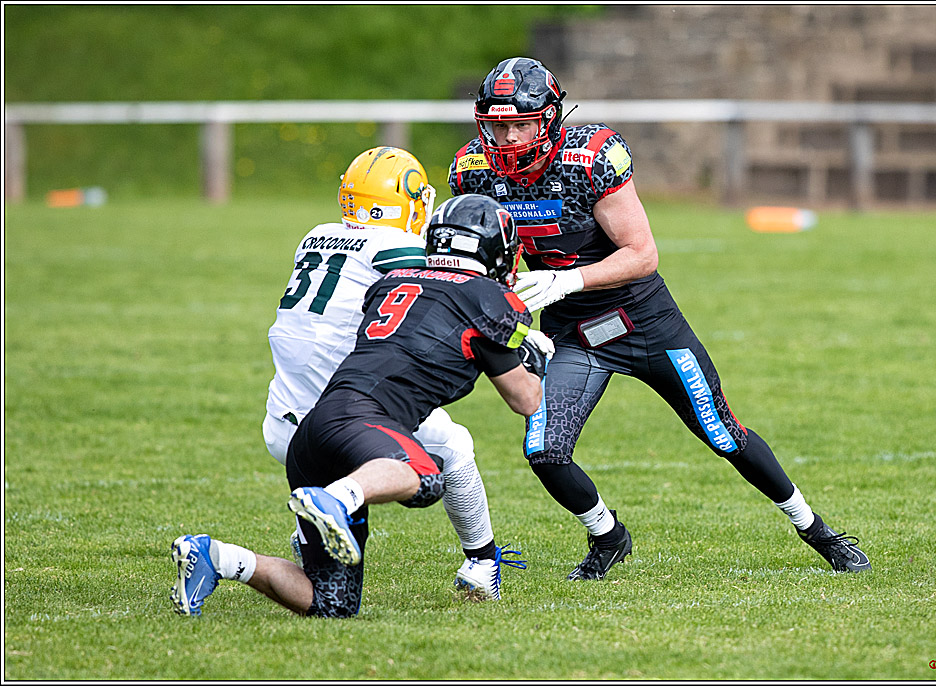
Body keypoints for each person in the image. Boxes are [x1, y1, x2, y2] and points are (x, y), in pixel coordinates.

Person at [448, 56, 871, 581]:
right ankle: (608, 536)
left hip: (642, 319)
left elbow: (642, 253)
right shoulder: (474, 170)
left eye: (521, 124)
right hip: (573, 334)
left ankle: (817, 531)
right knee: (544, 450)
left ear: (550, 119)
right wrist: (512, 310)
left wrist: (567, 280)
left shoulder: (589, 160)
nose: (509, 139)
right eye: (497, 125)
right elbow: (488, 258)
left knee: (722, 434)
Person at [171, 193, 552, 618]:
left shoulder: (392, 281)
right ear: (497, 251)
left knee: (330, 603)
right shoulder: (489, 299)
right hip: (363, 420)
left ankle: (217, 557)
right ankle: (337, 498)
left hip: (314, 431)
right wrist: (536, 360)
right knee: (425, 476)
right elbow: (525, 399)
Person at [258, 146, 512, 599]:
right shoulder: (395, 246)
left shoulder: (315, 235)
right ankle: (481, 563)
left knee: (331, 591)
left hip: (282, 419)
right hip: (353, 411)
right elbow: (451, 287)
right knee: (453, 448)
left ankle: (306, 539)